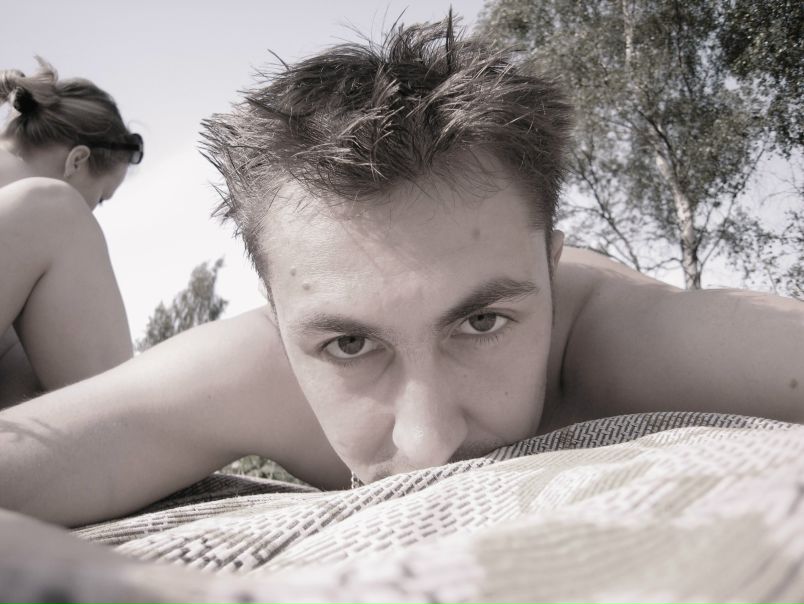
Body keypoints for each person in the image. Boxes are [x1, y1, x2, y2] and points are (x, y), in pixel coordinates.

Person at [0, 18, 801, 528]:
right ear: (276, 316)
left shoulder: (639, 341)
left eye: (482, 322)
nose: (427, 441)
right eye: (350, 346)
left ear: (551, 273)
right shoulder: (257, 369)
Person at [0, 58, 143, 406]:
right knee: (57, 210)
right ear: (76, 161)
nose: (91, 213)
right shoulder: (50, 211)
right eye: (100, 199)